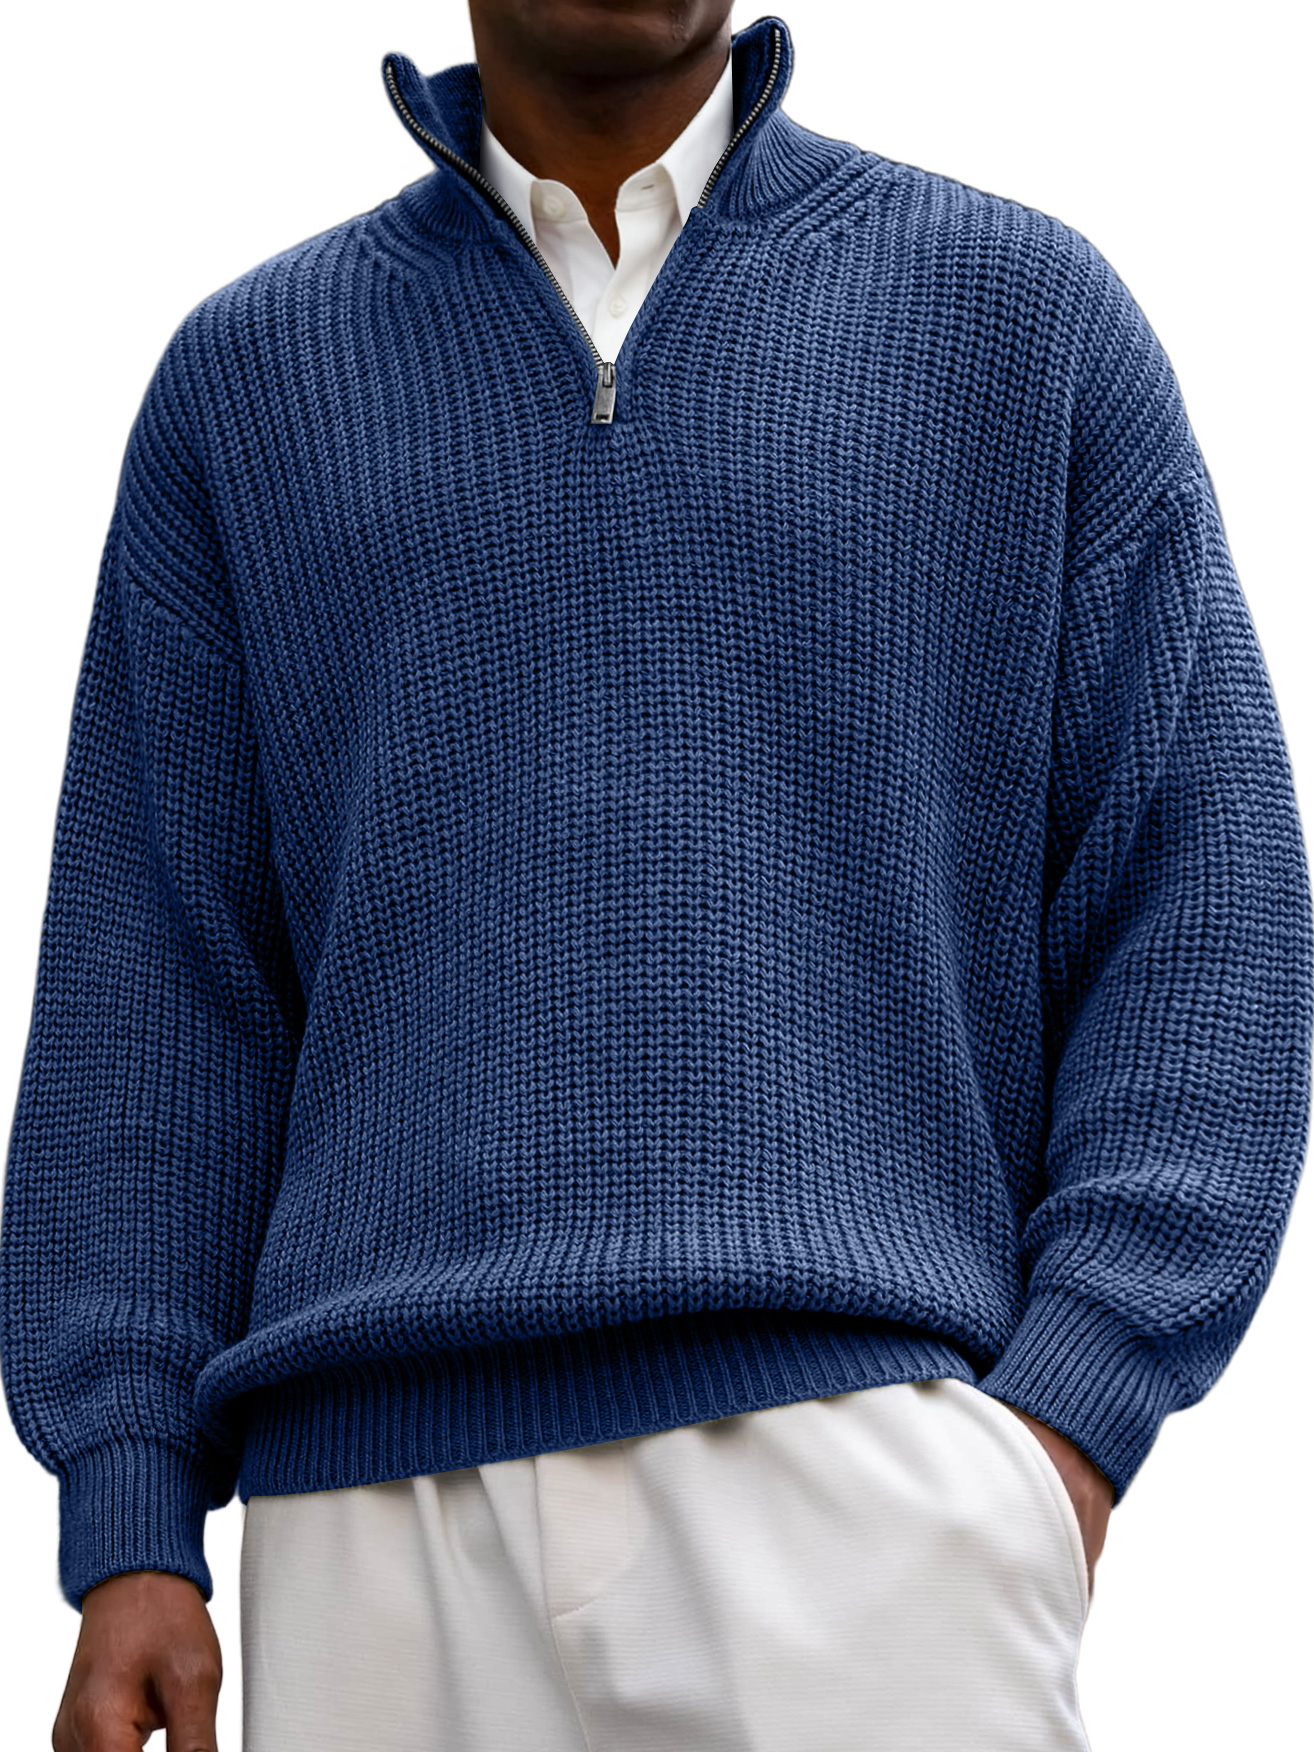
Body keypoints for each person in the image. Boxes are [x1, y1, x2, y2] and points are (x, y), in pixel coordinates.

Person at [2, 4, 1310, 1749]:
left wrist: (1064, 1420)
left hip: (865, 1486)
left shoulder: (1018, 317)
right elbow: (155, 980)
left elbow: (1204, 904)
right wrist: (128, 1510)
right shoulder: (246, 382)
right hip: (365, 1522)